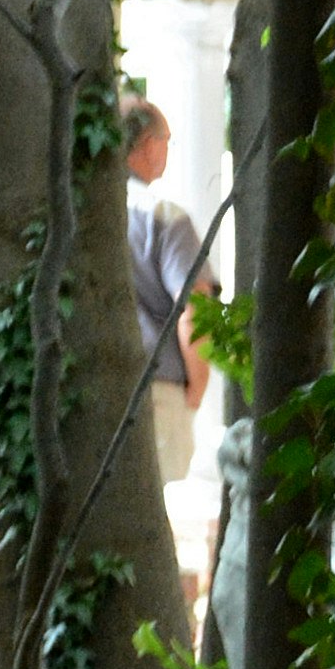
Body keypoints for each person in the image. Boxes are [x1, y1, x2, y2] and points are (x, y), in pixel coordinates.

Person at [121, 99, 216, 485]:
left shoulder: (80, 216)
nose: (167, 151)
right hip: (157, 391)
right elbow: (193, 308)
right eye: (167, 140)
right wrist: (197, 385)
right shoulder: (165, 217)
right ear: (148, 144)